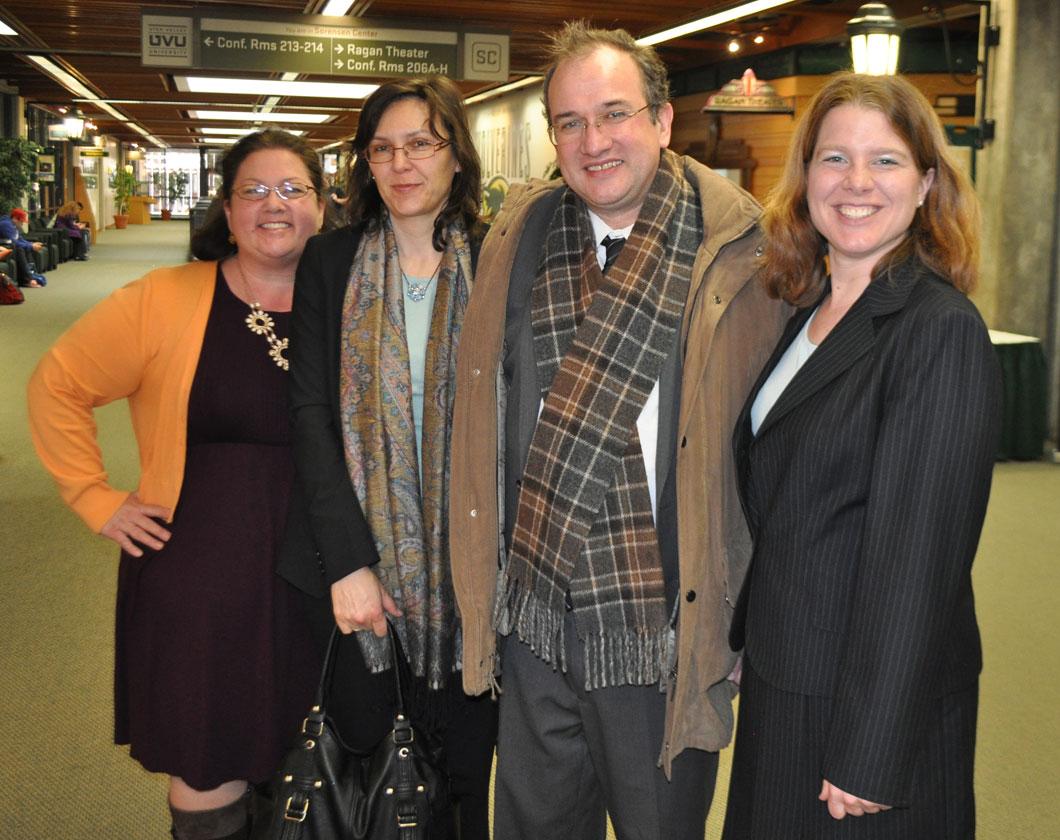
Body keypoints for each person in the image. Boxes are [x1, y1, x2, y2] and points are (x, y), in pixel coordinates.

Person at [448, 21, 786, 840]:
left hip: (663, 629)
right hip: (531, 618)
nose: (593, 141)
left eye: (614, 114)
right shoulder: (518, 239)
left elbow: (774, 455)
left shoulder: (744, 255)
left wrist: (747, 612)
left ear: (663, 121)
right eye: (569, 122)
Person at [721, 73, 1002, 839]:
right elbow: (791, 502)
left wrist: (869, 753)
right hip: (790, 678)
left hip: (866, 712)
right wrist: (756, 633)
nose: (855, 183)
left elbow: (918, 562)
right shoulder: (808, 309)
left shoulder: (937, 330)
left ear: (926, 186)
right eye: (834, 158)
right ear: (806, 174)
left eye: (885, 161)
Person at [27, 129, 325, 840]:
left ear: (321, 206)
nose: (272, 205)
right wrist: (95, 498)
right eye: (252, 190)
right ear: (225, 210)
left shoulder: (348, 305)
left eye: (292, 190)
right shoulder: (164, 299)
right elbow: (56, 383)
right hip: (199, 581)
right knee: (207, 755)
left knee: (311, 750)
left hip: (319, 576)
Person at [278, 77, 498, 840]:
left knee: (467, 784)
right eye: (383, 148)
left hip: (477, 579)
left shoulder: (502, 258)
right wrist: (348, 562)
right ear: (365, 163)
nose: (402, 164)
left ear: (456, 157)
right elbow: (310, 413)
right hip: (357, 580)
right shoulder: (329, 262)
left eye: (422, 144)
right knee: (370, 779)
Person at [0, 207, 47, 286]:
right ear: (15, 219)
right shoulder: (6, 225)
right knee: (20, 249)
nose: (22, 224)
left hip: (10, 245)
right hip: (5, 247)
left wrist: (31, 244)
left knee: (26, 248)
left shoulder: (13, 224)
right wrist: (31, 246)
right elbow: (14, 242)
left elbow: (20, 239)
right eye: (21, 222)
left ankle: (32, 274)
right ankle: (28, 280)